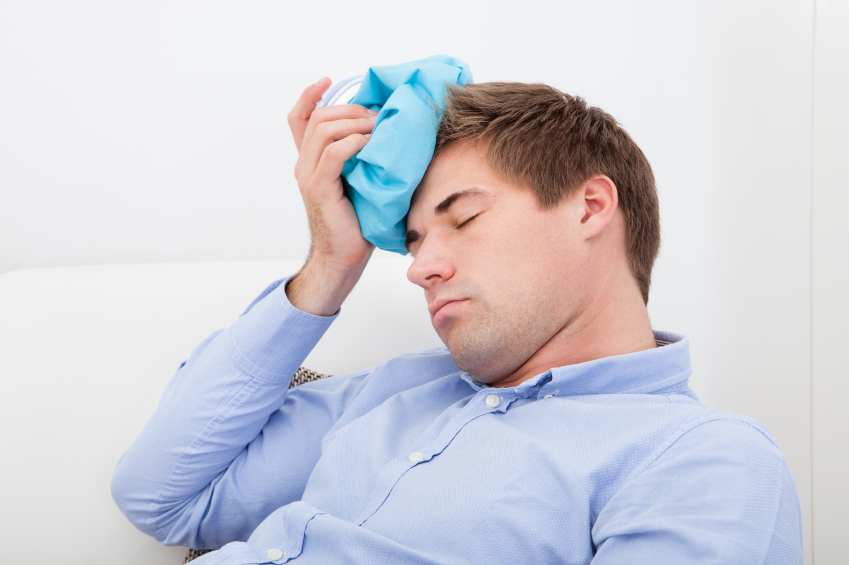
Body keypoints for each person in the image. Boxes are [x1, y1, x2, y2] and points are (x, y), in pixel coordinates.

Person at [111, 78, 803, 564]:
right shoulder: (399, 390)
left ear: (590, 206)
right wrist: (329, 263)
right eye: (411, 241)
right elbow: (161, 496)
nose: (419, 267)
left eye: (463, 217)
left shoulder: (702, 456)